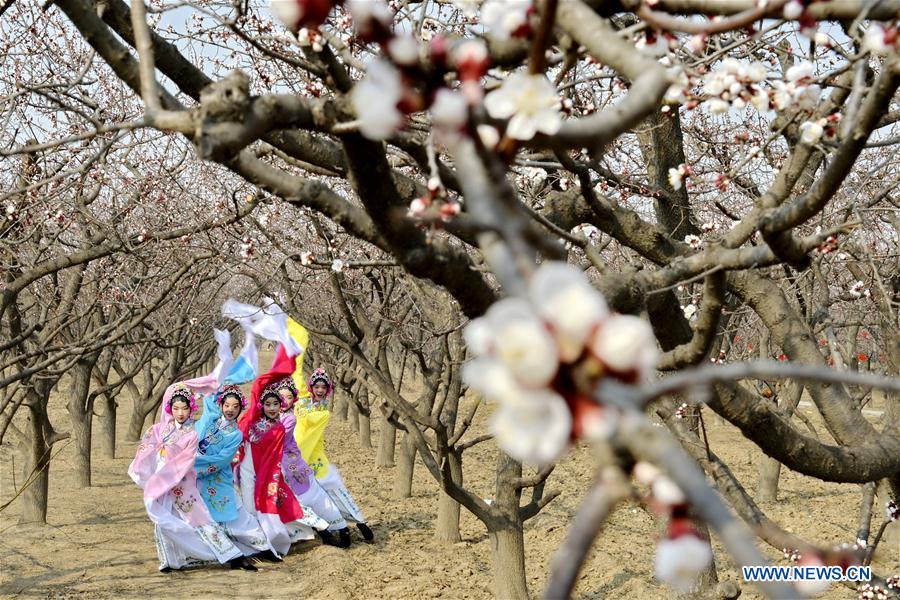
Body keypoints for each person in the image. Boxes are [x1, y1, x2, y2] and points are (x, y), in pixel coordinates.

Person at [129, 384, 255, 572]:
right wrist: (150, 453)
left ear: (191, 409)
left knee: (200, 519)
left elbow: (188, 460)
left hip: (182, 481)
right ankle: (170, 561)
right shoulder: (160, 428)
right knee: (163, 519)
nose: (180, 413)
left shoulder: (193, 433)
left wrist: (169, 462)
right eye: (176, 408)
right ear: (170, 408)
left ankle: (233, 556)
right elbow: (147, 444)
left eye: (184, 408)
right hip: (162, 481)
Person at [236, 345, 330, 558]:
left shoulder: (280, 426)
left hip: (268, 473)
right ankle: (260, 543)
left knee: (280, 504)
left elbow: (275, 451)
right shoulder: (253, 420)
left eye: (275, 404)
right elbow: (257, 388)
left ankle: (311, 531)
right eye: (267, 404)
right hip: (248, 470)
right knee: (250, 507)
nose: (272, 408)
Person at [194, 384, 273, 559]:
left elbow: (222, 460)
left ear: (240, 408)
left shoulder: (236, 434)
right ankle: (217, 553)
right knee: (204, 519)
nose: (230, 410)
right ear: (221, 405)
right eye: (227, 405)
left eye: (235, 406)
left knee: (238, 516)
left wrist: (194, 464)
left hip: (219, 478)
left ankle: (263, 547)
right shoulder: (208, 422)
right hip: (198, 480)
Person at [296, 368, 374, 542]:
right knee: (308, 497)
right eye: (317, 386)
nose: (320, 390)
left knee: (335, 489)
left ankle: (359, 523)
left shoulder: (322, 412)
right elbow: (296, 376)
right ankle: (323, 530)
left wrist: (301, 410)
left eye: (324, 387)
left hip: (314, 457)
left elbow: (309, 423)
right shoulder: (302, 401)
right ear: (311, 387)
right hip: (297, 457)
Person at [275, 377, 352, 548]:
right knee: (296, 501)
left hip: (292, 466)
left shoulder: (290, 418)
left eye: (289, 397)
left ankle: (337, 530)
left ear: (294, 400)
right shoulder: (275, 415)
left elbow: (278, 439)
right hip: (283, 465)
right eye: (281, 397)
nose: (284, 401)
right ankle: (323, 532)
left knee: (309, 498)